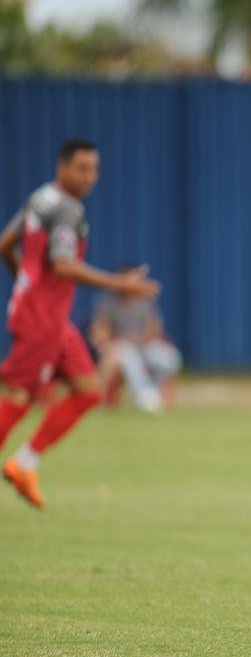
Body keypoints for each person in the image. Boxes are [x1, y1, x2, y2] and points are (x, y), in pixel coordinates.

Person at [0, 138, 159, 509]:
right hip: (41, 320)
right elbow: (63, 265)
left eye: (95, 169)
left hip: (49, 317)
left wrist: (27, 285)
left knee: (88, 390)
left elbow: (6, 244)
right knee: (21, 397)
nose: (90, 177)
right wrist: (123, 284)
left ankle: (24, 464)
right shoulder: (68, 210)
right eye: (82, 168)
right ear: (62, 167)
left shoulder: (41, 198)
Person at [90, 276, 181, 413]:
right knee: (128, 357)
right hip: (121, 346)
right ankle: (145, 397)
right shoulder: (108, 304)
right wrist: (109, 343)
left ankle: (153, 393)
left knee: (167, 357)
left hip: (144, 345)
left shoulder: (145, 302)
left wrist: (138, 340)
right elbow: (100, 331)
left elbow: (155, 330)